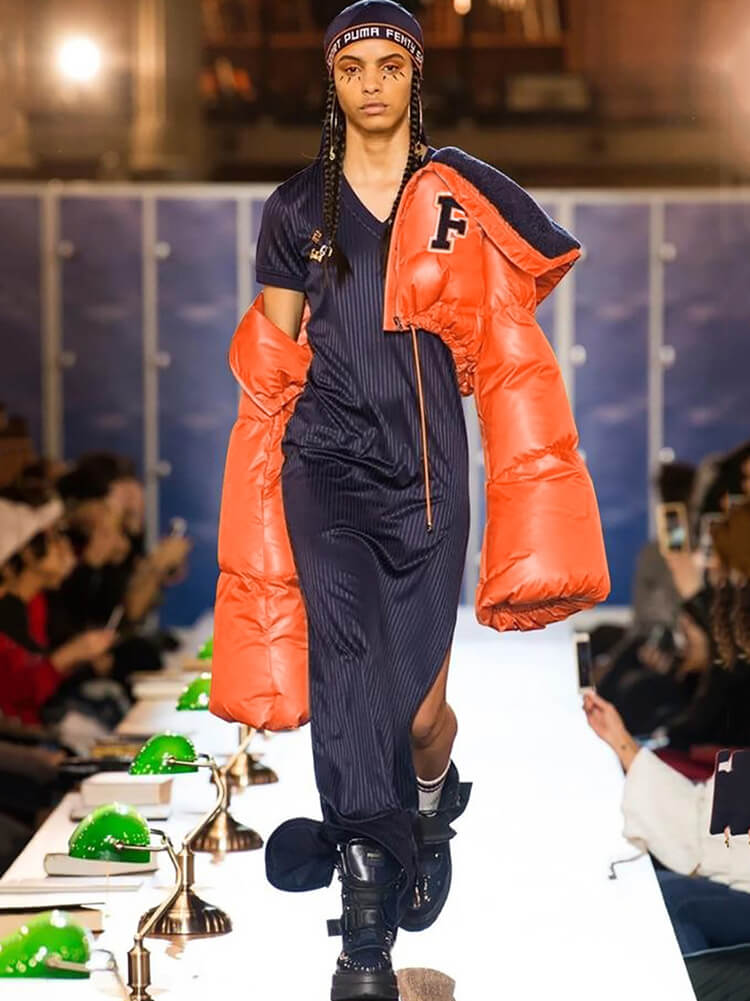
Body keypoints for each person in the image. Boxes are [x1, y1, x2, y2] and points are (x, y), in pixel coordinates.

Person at [212, 3, 609, 998]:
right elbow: (272, 363)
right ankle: (364, 936)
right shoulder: (294, 209)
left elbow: (524, 292)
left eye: (391, 65)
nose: (373, 83)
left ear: (415, 75)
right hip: (325, 468)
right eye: (354, 67)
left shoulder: (455, 198)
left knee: (420, 716)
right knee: (347, 667)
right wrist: (256, 490)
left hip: (429, 479)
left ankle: (430, 806)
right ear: (332, 81)